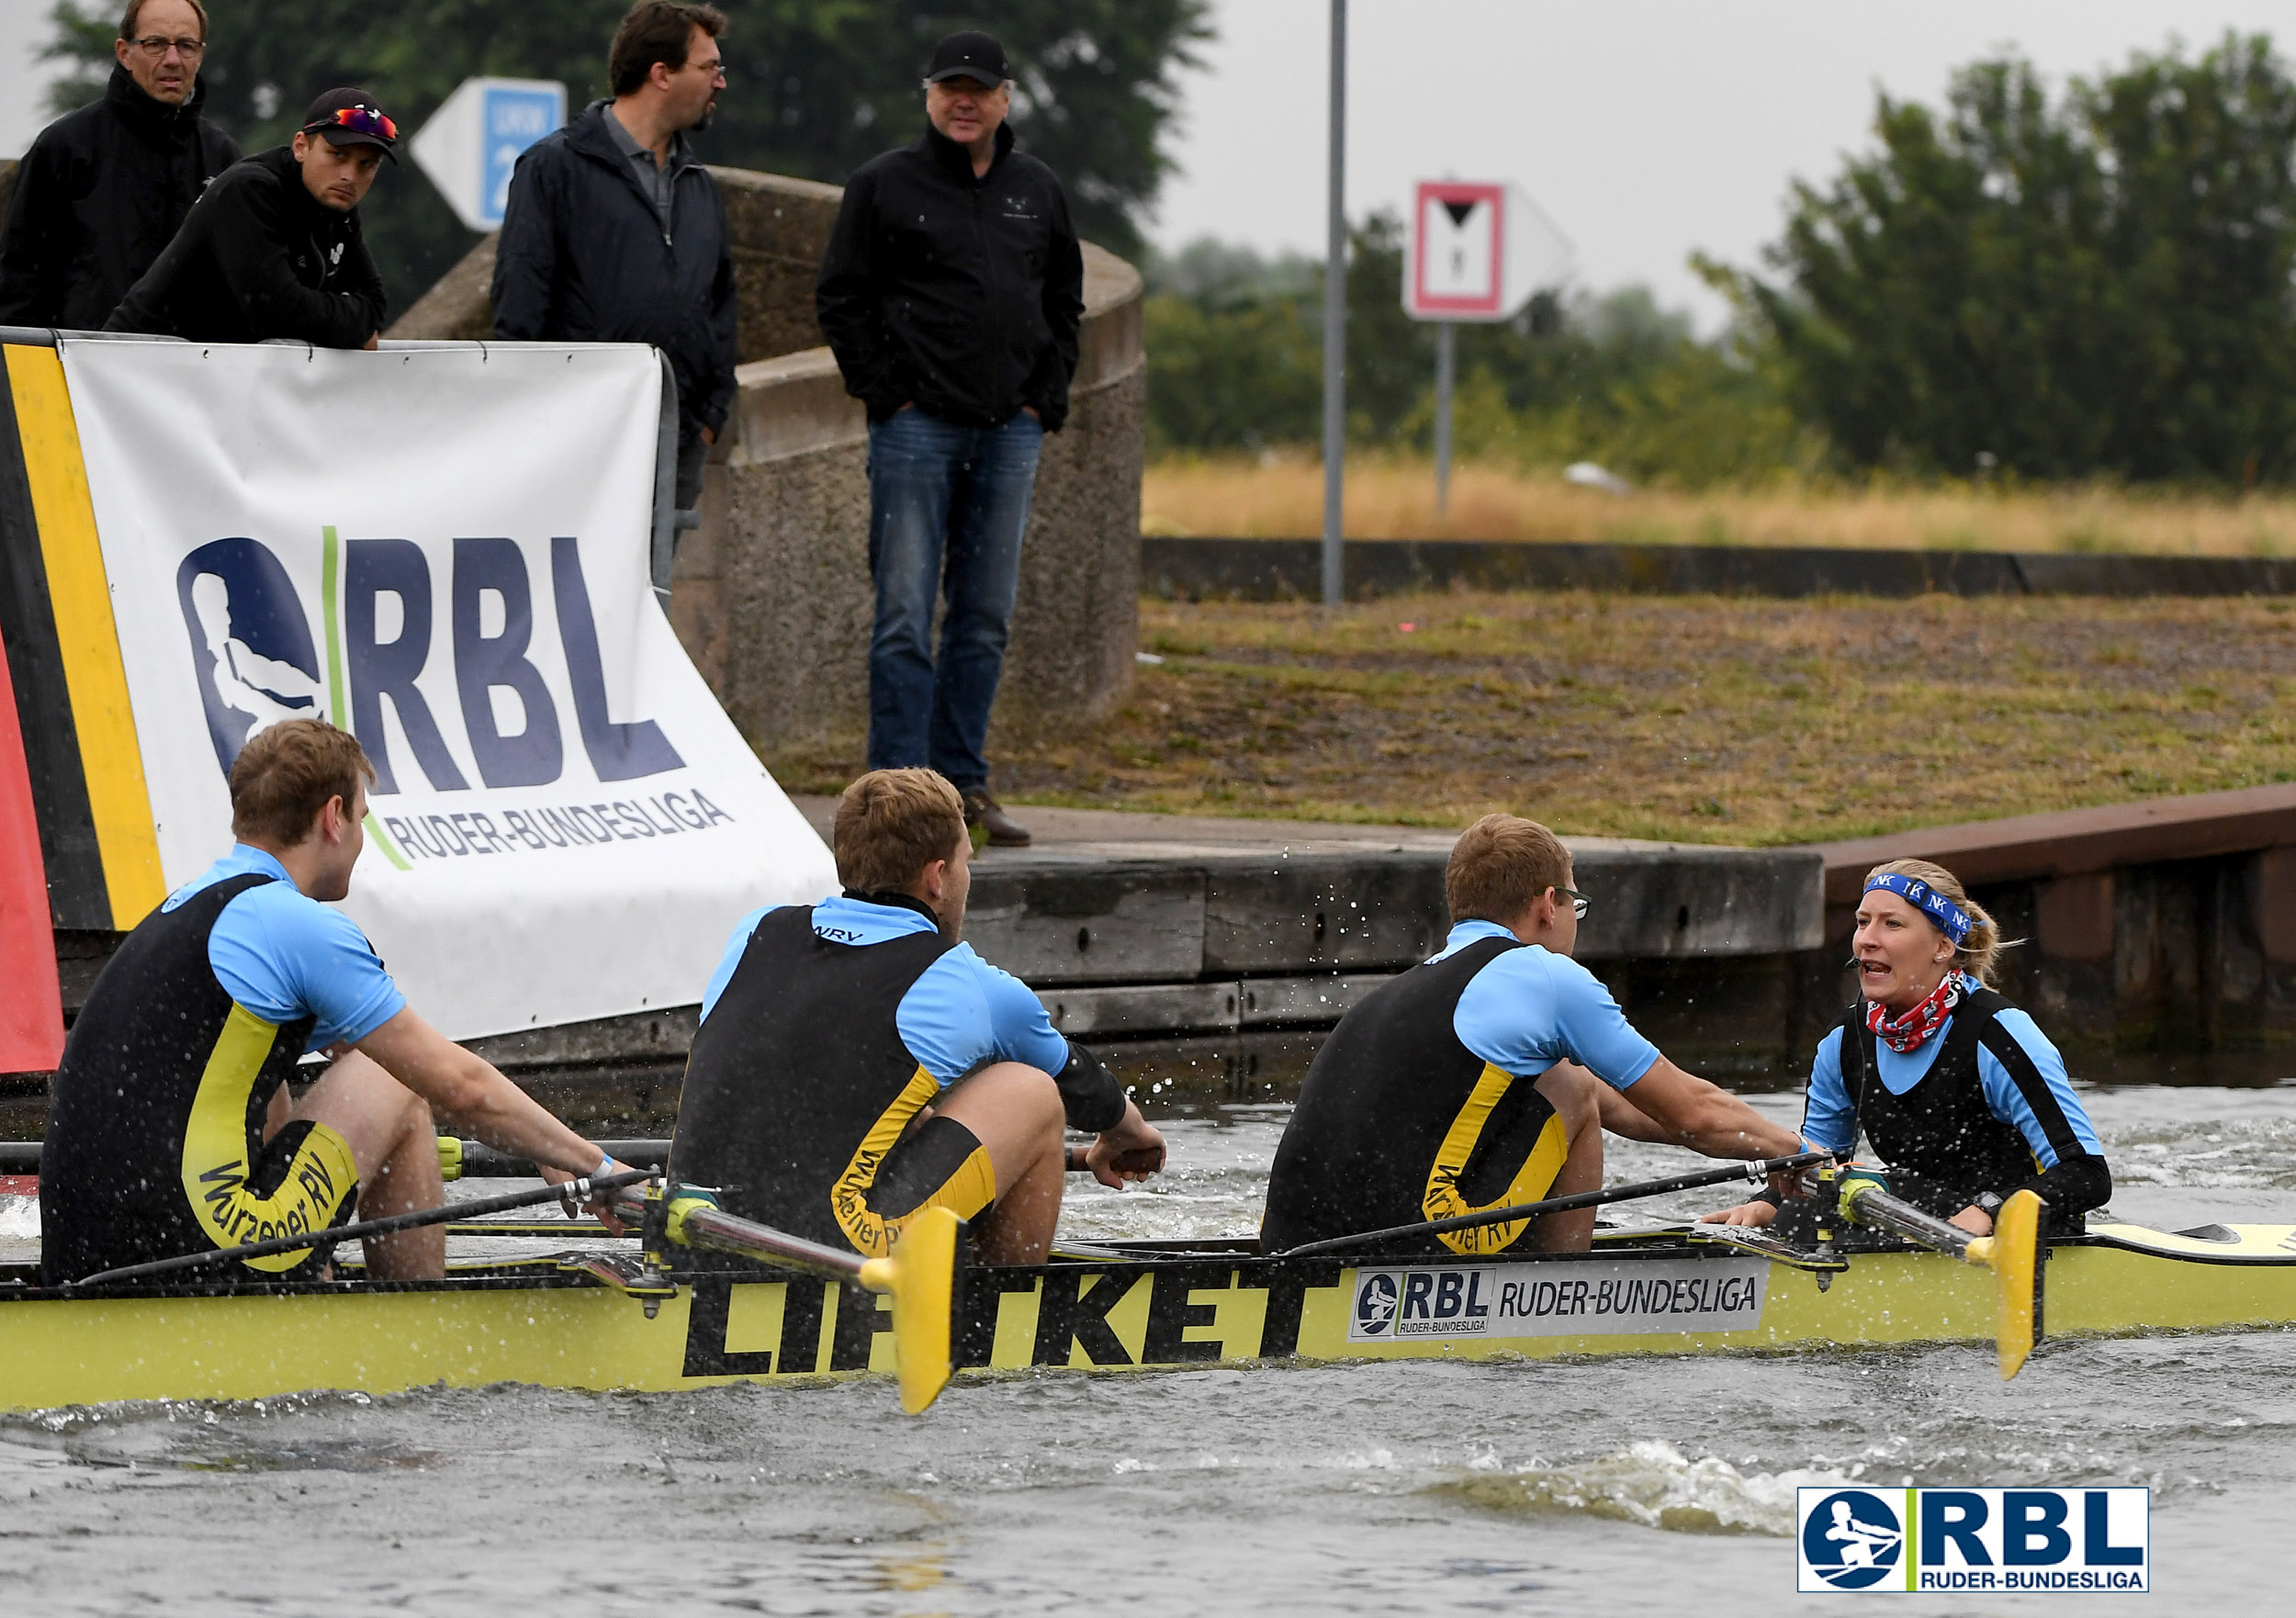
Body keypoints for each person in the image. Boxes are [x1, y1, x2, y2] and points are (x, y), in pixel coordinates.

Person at [39, 720, 619, 1287]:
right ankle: (416, 1344)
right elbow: (457, 1085)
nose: (362, 839)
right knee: (399, 1085)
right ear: (333, 817)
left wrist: (542, 1145)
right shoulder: (301, 927)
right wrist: (593, 1165)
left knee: (275, 1072)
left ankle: (314, 1271)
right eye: (363, 819)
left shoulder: (183, 910)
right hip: (193, 1249)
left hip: (83, 1258)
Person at [669, 768, 1165, 1264]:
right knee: (1031, 1093)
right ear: (937, 877)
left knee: (907, 1111)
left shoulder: (756, 930)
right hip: (833, 1253)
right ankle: (1012, 1316)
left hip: (692, 1229)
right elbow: (1083, 1088)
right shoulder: (966, 980)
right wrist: (1131, 1138)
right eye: (966, 862)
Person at [1260, 814, 1806, 1256]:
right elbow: (1692, 1114)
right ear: (1550, 904)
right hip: (1416, 1239)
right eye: (1577, 905)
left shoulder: (1407, 987)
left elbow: (1646, 1110)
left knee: (1571, 1079)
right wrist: (1798, 1152)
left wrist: (1768, 1148)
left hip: (1294, 1243)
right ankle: (1560, 1295)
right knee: (1577, 1090)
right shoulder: (1545, 976)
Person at [816, 31, 1086, 850]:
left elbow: (1064, 302)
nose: (963, 102)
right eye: (949, 88)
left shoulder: (1036, 190)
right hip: (915, 431)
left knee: (984, 618)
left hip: (1011, 432)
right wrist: (885, 393)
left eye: (980, 89)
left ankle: (963, 788)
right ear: (928, 97)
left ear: (1007, 99)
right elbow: (841, 295)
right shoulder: (884, 185)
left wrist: (1046, 401)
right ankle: (894, 800)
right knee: (902, 615)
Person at [1704, 859, 2111, 1235]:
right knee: (1807, 1209)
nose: (1866, 940)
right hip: (1915, 1221)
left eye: (1892, 924)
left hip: (2017, 1238)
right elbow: (1817, 1170)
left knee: (1829, 1209)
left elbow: (2086, 1175)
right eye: (1863, 922)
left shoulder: (2000, 1035)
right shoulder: (1845, 1042)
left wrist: (1988, 1211)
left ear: (1942, 947)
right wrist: (1768, 1201)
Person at [492, 1, 737, 515]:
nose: (720, 82)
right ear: (661, 74)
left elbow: (721, 304)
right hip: (583, 443)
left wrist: (711, 414)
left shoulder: (699, 185)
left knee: (652, 596)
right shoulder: (553, 168)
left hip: (678, 441)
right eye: (709, 67)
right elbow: (521, 302)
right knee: (589, 596)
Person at [0, 0, 240, 331]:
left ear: (200, 55)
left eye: (186, 45)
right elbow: (19, 281)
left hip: (191, 374)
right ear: (124, 52)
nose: (172, 60)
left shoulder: (223, 157)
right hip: (83, 369)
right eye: (155, 44)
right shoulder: (65, 147)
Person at [104, 87, 391, 347]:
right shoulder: (250, 190)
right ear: (301, 147)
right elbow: (276, 313)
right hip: (138, 366)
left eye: (367, 164)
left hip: (206, 373)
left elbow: (376, 303)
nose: (349, 175)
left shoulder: (337, 205)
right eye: (338, 155)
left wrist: (342, 319)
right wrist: (351, 322)